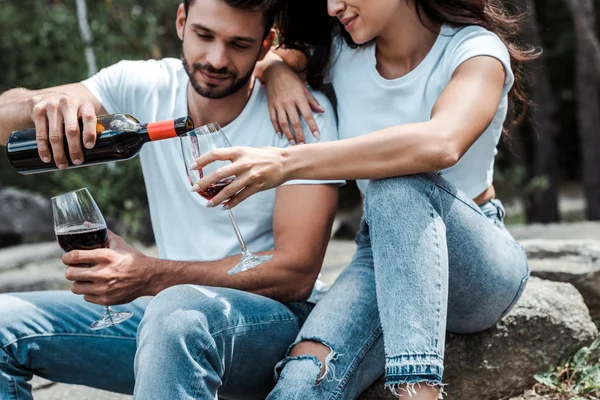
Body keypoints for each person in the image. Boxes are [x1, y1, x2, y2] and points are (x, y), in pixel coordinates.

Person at [190, 0, 534, 398]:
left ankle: (418, 391)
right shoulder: (341, 48)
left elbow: (441, 143)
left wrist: (285, 162)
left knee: (396, 185)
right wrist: (280, 72)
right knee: (305, 375)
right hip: (379, 255)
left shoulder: (475, 51)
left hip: (474, 265)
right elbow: (268, 60)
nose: (333, 6)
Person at [0, 0, 342, 399]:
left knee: (174, 314)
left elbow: (296, 273)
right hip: (168, 319)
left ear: (266, 45)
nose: (216, 58)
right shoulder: (141, 83)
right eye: (204, 35)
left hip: (272, 324)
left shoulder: (301, 115)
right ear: (181, 21)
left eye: (239, 44)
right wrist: (38, 104)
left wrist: (151, 274)